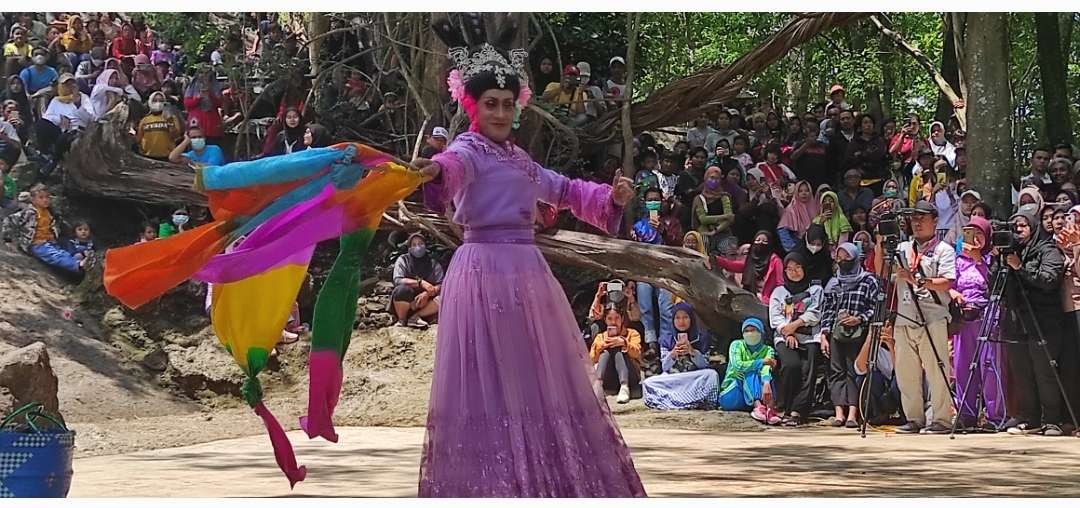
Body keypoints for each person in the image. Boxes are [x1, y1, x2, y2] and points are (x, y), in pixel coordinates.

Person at [416, 16, 644, 496]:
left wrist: (613, 199)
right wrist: (432, 171)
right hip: (480, 272)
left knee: (537, 376)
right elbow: (449, 170)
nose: (499, 113)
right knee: (488, 383)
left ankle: (542, 481)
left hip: (528, 273)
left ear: (517, 108)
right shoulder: (467, 150)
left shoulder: (520, 159)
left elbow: (564, 189)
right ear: (472, 106)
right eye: (489, 104)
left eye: (506, 104)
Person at [998, 204, 1068, 436]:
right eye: (1014, 226)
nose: (1018, 230)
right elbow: (995, 288)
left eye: (1023, 225)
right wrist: (998, 262)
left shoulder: (1048, 250)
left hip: (1043, 321)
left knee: (1044, 371)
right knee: (1022, 372)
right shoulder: (1010, 252)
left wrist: (1020, 269)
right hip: (1017, 321)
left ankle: (1052, 420)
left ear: (1034, 226)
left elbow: (1049, 280)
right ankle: (1030, 418)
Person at [891, 200, 957, 434]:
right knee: (906, 371)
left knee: (937, 369)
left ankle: (941, 419)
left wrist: (916, 279)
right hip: (905, 316)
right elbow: (882, 271)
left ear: (935, 221)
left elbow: (948, 282)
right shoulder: (901, 248)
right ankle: (913, 417)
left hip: (933, 315)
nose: (917, 223)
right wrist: (880, 244)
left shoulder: (944, 250)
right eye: (914, 219)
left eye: (922, 218)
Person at [948, 216, 1007, 430]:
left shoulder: (993, 259)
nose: (976, 238)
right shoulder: (959, 261)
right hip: (964, 316)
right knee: (963, 366)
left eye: (980, 233)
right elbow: (949, 284)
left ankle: (995, 416)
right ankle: (966, 414)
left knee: (989, 366)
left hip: (988, 314)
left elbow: (994, 285)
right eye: (971, 232)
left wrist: (979, 260)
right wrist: (954, 293)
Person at [821, 242, 880, 428]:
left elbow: (876, 308)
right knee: (837, 372)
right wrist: (824, 334)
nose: (843, 261)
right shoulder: (834, 282)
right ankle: (839, 413)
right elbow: (828, 310)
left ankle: (853, 414)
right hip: (837, 334)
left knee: (854, 371)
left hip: (859, 334)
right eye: (839, 257)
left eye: (847, 257)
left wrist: (859, 318)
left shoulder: (868, 281)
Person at [769, 252, 824, 426]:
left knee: (809, 369)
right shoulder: (779, 291)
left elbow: (815, 313)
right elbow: (775, 317)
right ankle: (784, 406)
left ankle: (797, 411)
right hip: (784, 337)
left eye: (797, 268)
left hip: (810, 337)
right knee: (791, 365)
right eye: (789, 269)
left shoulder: (815, 289)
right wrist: (789, 333)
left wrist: (795, 325)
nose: (794, 272)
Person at [641, 303, 719, 410]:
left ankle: (691, 400)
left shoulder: (701, 337)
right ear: (673, 320)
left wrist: (692, 352)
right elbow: (665, 367)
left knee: (712, 375)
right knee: (648, 383)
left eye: (685, 317)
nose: (681, 321)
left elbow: (704, 365)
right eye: (677, 318)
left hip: (693, 378)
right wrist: (673, 354)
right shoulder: (667, 339)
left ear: (691, 319)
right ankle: (686, 400)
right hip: (674, 378)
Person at [1, 184, 85, 274]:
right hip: (36, 244)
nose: (45, 200)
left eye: (47, 197)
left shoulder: (48, 212)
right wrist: (7, 238)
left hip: (48, 241)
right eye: (41, 197)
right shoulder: (29, 212)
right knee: (53, 255)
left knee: (61, 252)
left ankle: (75, 259)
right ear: (33, 200)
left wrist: (53, 234)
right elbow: (9, 220)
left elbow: (51, 226)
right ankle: (77, 265)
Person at [720, 317, 779, 422]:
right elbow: (738, 365)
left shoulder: (768, 350)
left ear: (761, 332)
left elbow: (767, 368)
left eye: (753, 330)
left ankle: (769, 408)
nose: (750, 333)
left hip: (749, 397)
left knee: (766, 376)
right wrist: (761, 362)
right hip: (733, 393)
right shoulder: (736, 345)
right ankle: (758, 406)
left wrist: (766, 383)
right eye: (746, 331)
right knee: (749, 371)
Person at [36, 73, 92, 168]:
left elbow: (90, 118)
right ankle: (44, 153)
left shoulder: (83, 98)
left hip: (76, 129)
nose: (69, 87)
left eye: (72, 84)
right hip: (60, 127)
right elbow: (48, 117)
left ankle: (53, 162)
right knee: (41, 124)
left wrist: (77, 104)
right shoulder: (56, 100)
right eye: (66, 85)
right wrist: (60, 120)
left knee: (64, 138)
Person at [591, 304, 643, 404]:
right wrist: (601, 346)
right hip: (609, 377)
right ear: (605, 320)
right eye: (610, 319)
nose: (613, 322)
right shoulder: (600, 337)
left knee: (618, 348)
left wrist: (625, 343)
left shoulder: (632, 333)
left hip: (630, 375)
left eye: (617, 318)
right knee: (607, 350)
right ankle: (598, 384)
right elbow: (592, 359)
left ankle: (624, 386)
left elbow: (638, 354)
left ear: (622, 318)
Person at [391, 232, 444, 328]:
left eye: (420, 244)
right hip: (405, 302)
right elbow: (398, 280)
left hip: (426, 304)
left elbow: (441, 284)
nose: (418, 247)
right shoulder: (403, 260)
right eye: (414, 245)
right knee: (402, 290)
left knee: (444, 297)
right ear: (409, 248)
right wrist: (421, 283)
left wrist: (427, 294)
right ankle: (402, 320)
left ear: (425, 246)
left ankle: (415, 317)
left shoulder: (433, 264)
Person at [715, 230, 783, 305]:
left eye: (765, 241)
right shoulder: (750, 260)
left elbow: (780, 283)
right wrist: (715, 259)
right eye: (758, 240)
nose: (760, 243)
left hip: (768, 301)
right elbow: (732, 265)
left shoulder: (775, 261)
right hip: (749, 296)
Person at [692, 166, 736, 256]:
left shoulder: (724, 197)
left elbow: (730, 219)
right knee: (704, 246)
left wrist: (715, 231)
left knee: (730, 251)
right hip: (704, 232)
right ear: (706, 178)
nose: (714, 181)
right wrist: (724, 216)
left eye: (717, 178)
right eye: (711, 178)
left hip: (722, 232)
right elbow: (703, 219)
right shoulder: (699, 198)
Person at [136, 91, 182, 160]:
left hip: (167, 157)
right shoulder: (144, 120)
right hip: (148, 157)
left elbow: (176, 137)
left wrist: (170, 122)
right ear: (150, 102)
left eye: (161, 100)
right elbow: (138, 139)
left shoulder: (172, 118)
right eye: (155, 100)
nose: (158, 103)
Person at [183, 69, 224, 143]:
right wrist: (199, 97)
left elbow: (220, 103)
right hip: (196, 123)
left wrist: (210, 95)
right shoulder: (192, 86)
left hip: (212, 124)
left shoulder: (215, 86)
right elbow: (187, 104)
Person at [776, 180, 819, 252]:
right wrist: (793, 249)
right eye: (800, 191)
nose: (804, 193)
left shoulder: (815, 207)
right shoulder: (791, 209)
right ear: (796, 193)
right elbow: (782, 231)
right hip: (798, 247)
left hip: (815, 247)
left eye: (806, 191)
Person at [791, 121, 830, 189]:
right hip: (804, 181)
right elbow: (793, 157)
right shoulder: (799, 144)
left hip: (820, 181)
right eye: (810, 128)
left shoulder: (823, 146)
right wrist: (807, 144)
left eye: (814, 129)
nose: (812, 131)